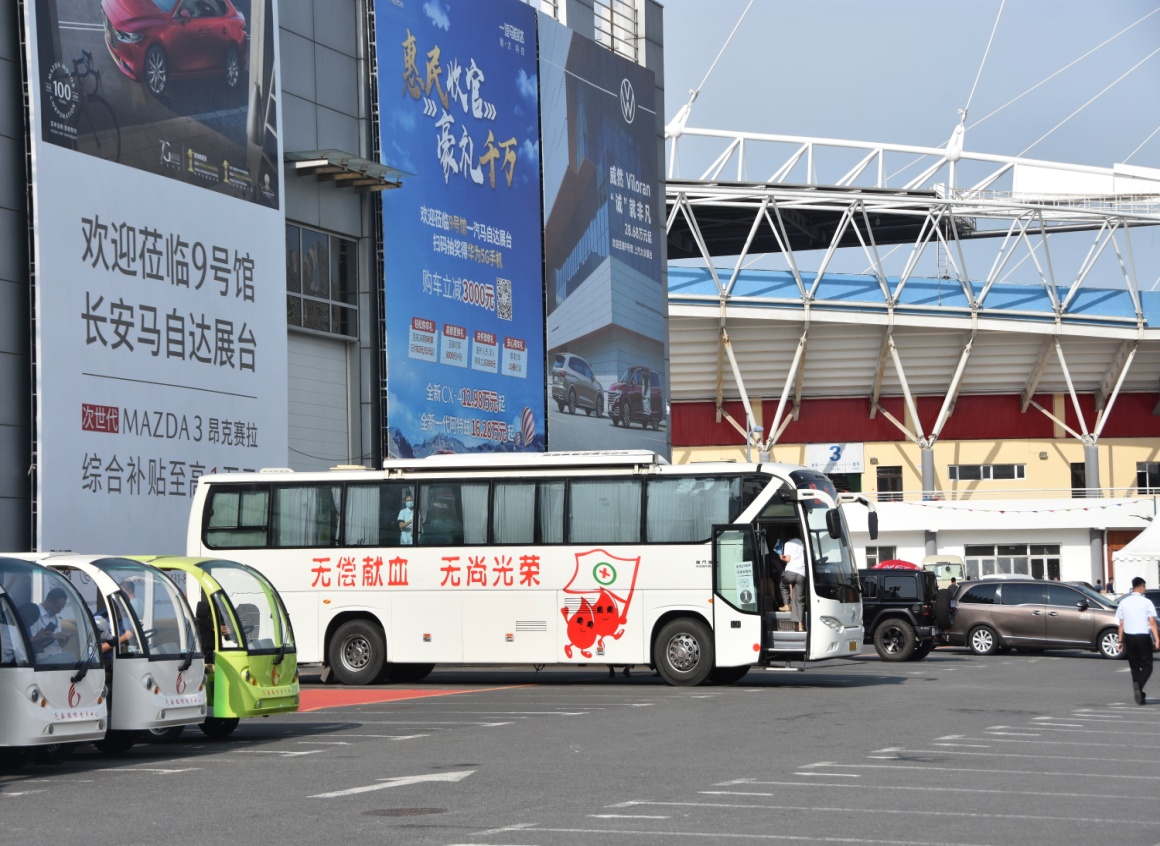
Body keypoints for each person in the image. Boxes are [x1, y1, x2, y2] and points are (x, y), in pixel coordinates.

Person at [1116, 576, 1160, 705]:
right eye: (1144, 587)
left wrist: (1120, 641)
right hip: (1142, 636)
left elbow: (1121, 624)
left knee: (1134, 665)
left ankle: (1140, 694)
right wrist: (1157, 639)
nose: (1144, 590)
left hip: (1129, 637)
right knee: (1147, 665)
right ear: (1141, 587)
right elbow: (1151, 622)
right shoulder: (1146, 602)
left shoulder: (1124, 602)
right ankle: (1138, 685)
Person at [27, 587, 70, 657]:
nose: (59, 611)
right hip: (41, 661)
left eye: (61, 609)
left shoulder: (57, 619)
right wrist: (52, 637)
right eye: (58, 607)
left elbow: (55, 647)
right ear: (49, 601)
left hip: (57, 658)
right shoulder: (34, 614)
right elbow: (31, 644)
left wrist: (62, 643)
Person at [779, 535, 807, 632]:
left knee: (782, 585)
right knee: (799, 600)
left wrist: (780, 555)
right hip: (801, 574)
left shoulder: (788, 543)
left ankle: (786, 604)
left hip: (791, 572)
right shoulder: (803, 543)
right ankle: (800, 625)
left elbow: (787, 559)